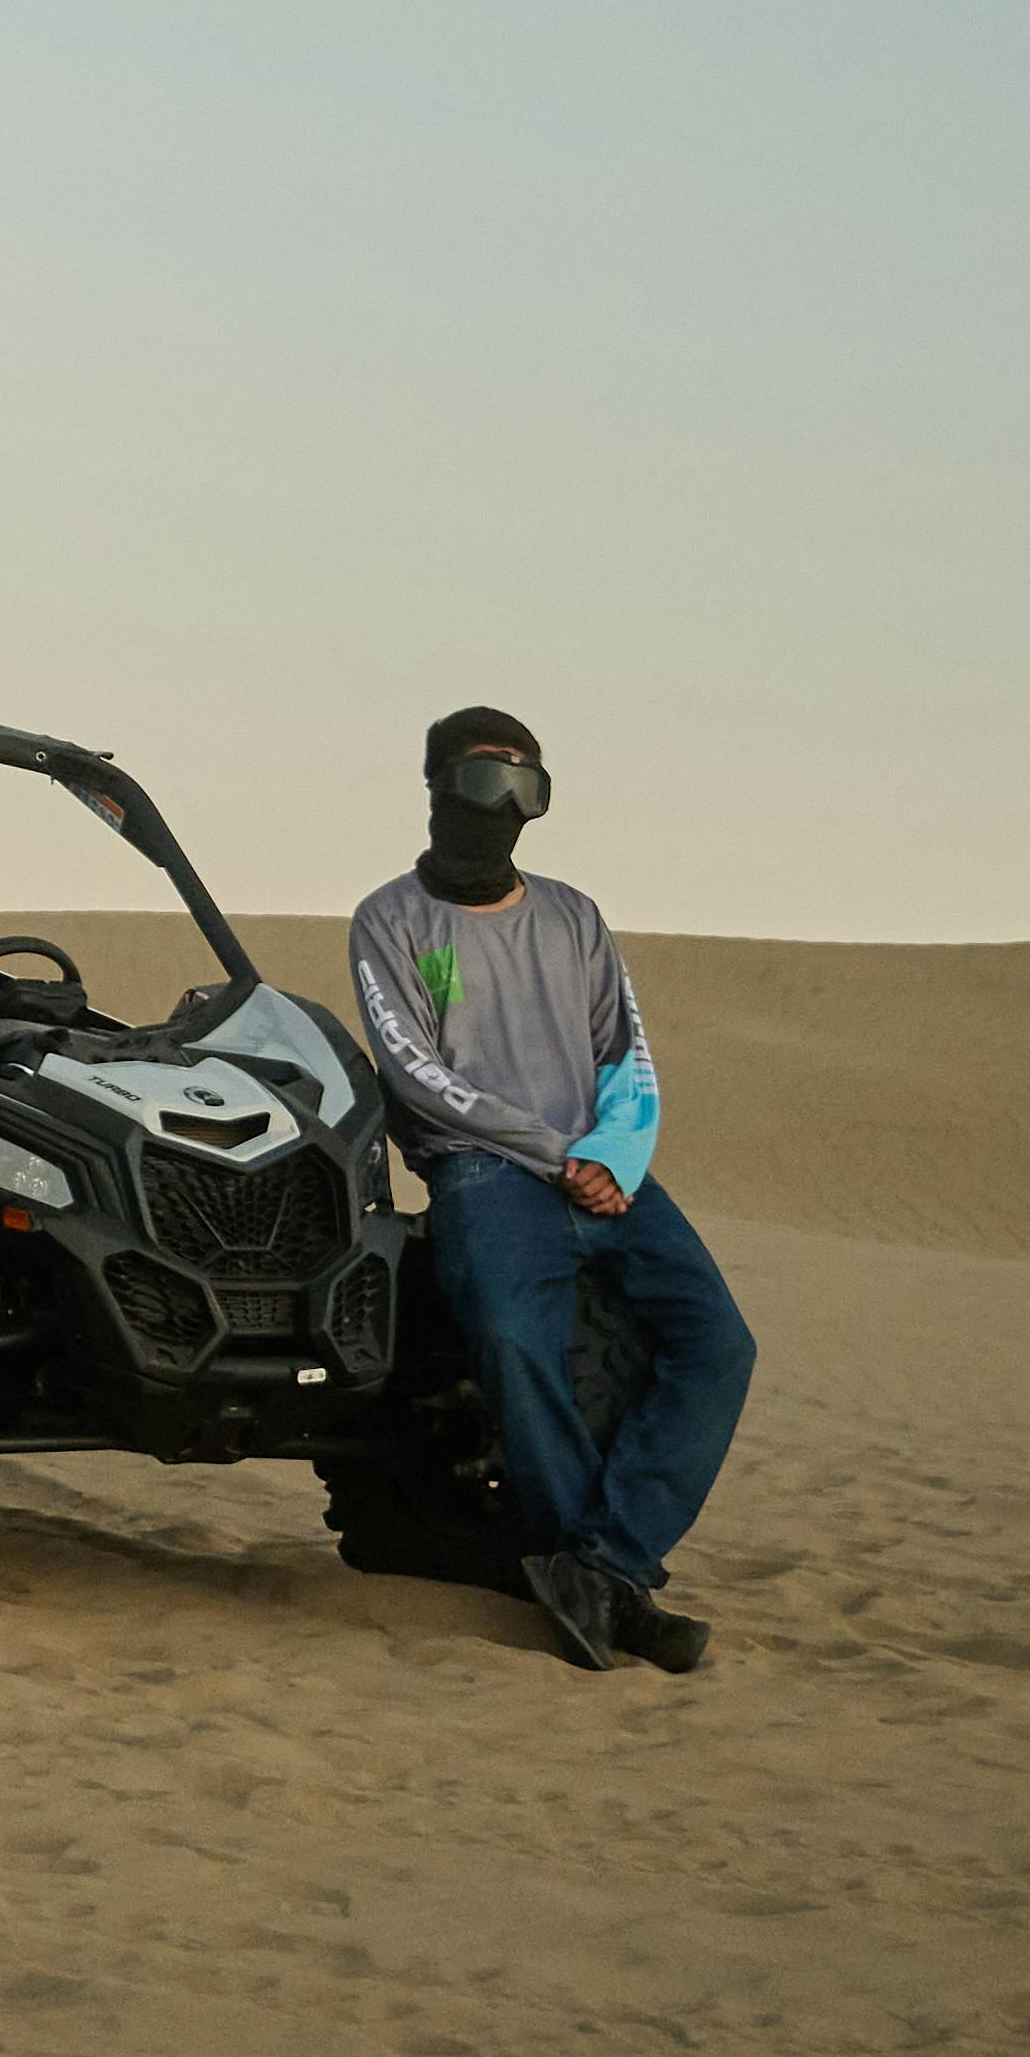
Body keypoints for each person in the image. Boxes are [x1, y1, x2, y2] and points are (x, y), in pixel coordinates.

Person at [350, 705, 749, 1676]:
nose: (508, 807)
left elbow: (628, 1054)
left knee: (718, 1343)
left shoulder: (574, 917)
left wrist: (615, 1151)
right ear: (440, 788)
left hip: (603, 1173)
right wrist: (547, 1147)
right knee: (513, 1342)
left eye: (530, 788)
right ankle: (612, 1583)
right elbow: (414, 1073)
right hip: (483, 1170)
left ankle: (600, 1565)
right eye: (489, 783)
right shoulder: (391, 921)